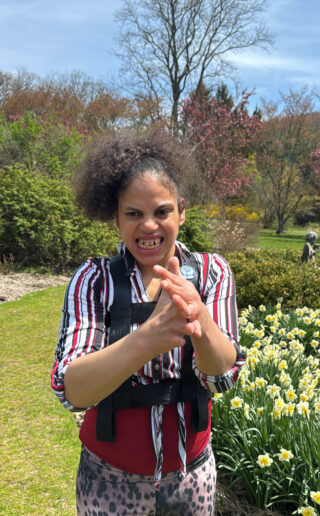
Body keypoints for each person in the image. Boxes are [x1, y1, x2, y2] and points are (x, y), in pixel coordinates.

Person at [51, 130, 246, 515]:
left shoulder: (212, 273)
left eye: (161, 212)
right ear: (115, 217)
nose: (149, 226)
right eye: (133, 214)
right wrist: (147, 339)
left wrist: (199, 318)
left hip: (192, 477)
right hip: (109, 480)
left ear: (181, 210)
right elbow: (73, 391)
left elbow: (221, 378)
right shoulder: (94, 280)